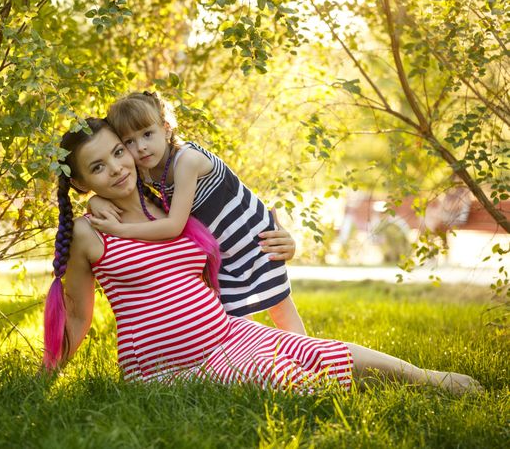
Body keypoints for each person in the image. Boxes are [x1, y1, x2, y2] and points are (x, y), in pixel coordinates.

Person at [43, 117, 481, 396]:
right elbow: (80, 317)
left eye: (119, 151)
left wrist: (284, 238)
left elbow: (241, 215)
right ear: (82, 185)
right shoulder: (90, 230)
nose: (118, 167)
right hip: (167, 368)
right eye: (97, 167)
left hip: (226, 335)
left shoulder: (170, 201)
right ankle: (351, 393)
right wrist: (48, 375)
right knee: (287, 379)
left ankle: (429, 379)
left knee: (316, 350)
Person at [87, 91, 306, 334]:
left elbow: (173, 226)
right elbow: (117, 186)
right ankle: (256, 361)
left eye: (147, 134)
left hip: (252, 237)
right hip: (222, 248)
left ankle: (309, 357)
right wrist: (95, 200)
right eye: (129, 141)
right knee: (237, 316)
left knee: (279, 305)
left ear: (167, 128)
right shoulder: (146, 168)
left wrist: (120, 230)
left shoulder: (187, 161)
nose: (141, 147)